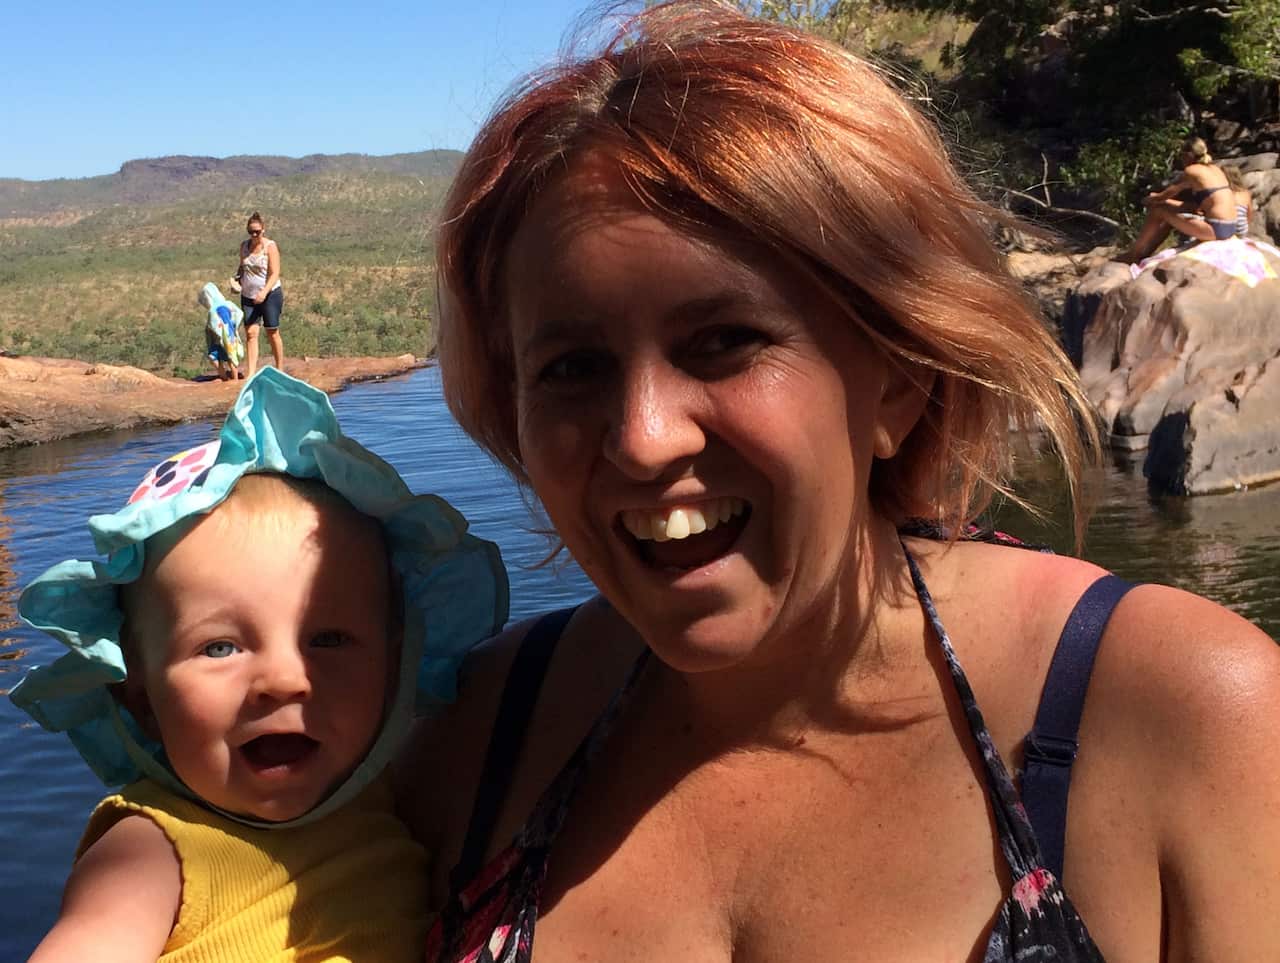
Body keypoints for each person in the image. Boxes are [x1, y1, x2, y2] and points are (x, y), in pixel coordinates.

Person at [399, 4, 1280, 961]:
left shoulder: (1185, 717)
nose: (643, 440)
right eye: (570, 366)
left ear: (899, 376)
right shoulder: (473, 735)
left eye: (725, 340)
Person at [12, 368, 509, 962]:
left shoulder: (382, 807)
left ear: (394, 666)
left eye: (328, 639)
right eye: (219, 647)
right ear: (139, 701)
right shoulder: (153, 851)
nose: (282, 681)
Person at [1119, 136, 1239, 262]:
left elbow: (1165, 195)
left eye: (1181, 155)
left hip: (1216, 229)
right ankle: (1145, 253)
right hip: (1230, 227)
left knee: (1158, 210)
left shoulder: (1191, 171)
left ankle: (1133, 254)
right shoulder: (1215, 169)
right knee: (1169, 215)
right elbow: (1194, 207)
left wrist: (1153, 198)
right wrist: (1165, 201)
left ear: (1188, 155)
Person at [235, 211, 285, 378]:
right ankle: (250, 373)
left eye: (257, 231)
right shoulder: (244, 247)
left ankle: (279, 369)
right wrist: (237, 280)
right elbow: (242, 267)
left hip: (270, 295)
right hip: (248, 295)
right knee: (251, 333)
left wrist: (264, 293)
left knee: (272, 331)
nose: (254, 234)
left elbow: (275, 272)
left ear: (263, 229)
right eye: (251, 232)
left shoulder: (270, 247)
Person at [197, 281, 244, 381]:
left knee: (214, 357)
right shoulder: (229, 304)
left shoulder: (212, 311)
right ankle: (234, 379)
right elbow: (238, 314)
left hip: (218, 339)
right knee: (231, 357)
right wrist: (233, 326)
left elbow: (212, 325)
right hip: (230, 336)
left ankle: (226, 378)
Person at [1224, 163, 1255, 237]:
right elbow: (1249, 215)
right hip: (1242, 230)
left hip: (1228, 231)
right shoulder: (1246, 193)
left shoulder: (1224, 192)